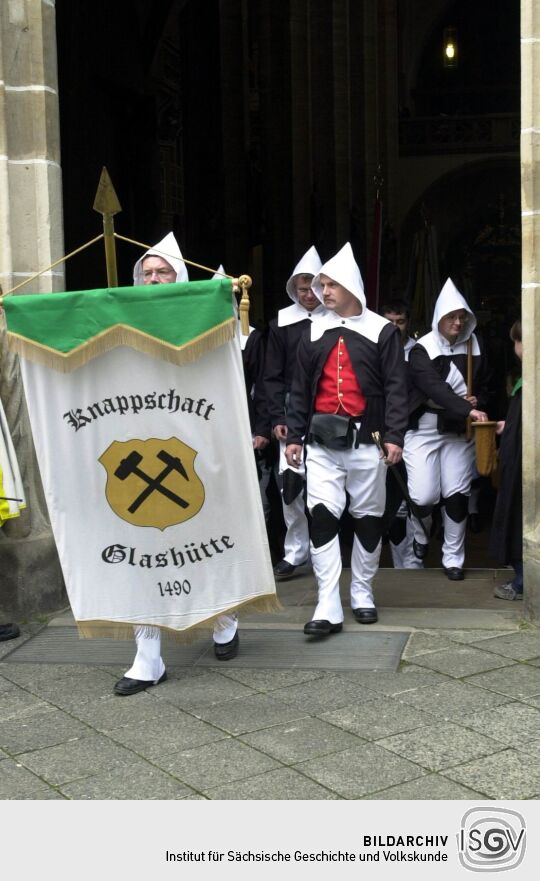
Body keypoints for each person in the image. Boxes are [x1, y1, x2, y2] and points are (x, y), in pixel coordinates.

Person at [113, 235, 239, 697]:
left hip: (192, 452)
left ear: (180, 276)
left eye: (162, 271)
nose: (152, 279)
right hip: (135, 450)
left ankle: (223, 617)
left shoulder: (202, 323)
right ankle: (148, 657)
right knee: (140, 555)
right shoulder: (120, 322)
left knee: (200, 547)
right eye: (146, 272)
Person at [285, 242, 408, 635]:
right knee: (321, 516)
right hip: (321, 443)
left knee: (369, 518)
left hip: (368, 441)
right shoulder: (314, 330)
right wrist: (294, 436)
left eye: (330, 285)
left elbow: (396, 387)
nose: (324, 292)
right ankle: (326, 602)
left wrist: (394, 436)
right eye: (322, 285)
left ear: (351, 286)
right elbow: (300, 387)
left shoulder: (382, 331)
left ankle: (362, 592)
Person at [404, 278, 490, 581]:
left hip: (459, 432)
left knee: (456, 494)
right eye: (451, 317)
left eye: (461, 317)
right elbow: (433, 388)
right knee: (424, 496)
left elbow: (489, 386)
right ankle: (421, 532)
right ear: (439, 317)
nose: (457, 322)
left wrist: (479, 401)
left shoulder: (475, 347)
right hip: (424, 430)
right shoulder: (421, 350)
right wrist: (467, 406)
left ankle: (453, 557)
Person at [264, 245, 325, 579]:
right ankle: (295, 550)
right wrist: (277, 417)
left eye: (314, 287)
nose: (309, 294)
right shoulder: (281, 325)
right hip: (290, 412)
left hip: (327, 411)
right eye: (303, 288)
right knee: (291, 484)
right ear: (294, 289)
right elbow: (271, 376)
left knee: (325, 485)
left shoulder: (336, 322)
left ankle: (323, 551)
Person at [380, 299, 420, 569]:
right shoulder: (373, 344)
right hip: (377, 430)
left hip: (411, 431)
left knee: (408, 496)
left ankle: (408, 563)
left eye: (400, 322)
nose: (395, 327)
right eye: (389, 322)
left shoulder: (418, 352)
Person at [490, 319, 523, 600]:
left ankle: (523, 582)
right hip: (517, 456)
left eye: (517, 341)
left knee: (519, 517)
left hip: (522, 465)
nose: (514, 347)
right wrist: (506, 425)